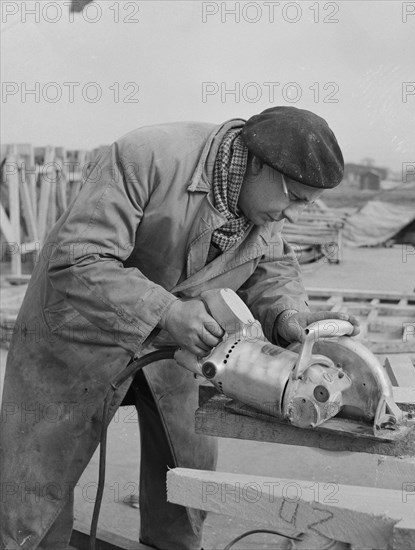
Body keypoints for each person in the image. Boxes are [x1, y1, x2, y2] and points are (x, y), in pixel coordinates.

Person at [0, 106, 360, 550]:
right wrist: (168, 311)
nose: (294, 214)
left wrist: (289, 315)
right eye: (296, 198)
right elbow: (79, 258)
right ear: (259, 163)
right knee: (35, 490)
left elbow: (272, 267)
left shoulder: (261, 205)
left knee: (186, 479)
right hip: (79, 333)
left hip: (177, 346)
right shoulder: (147, 156)